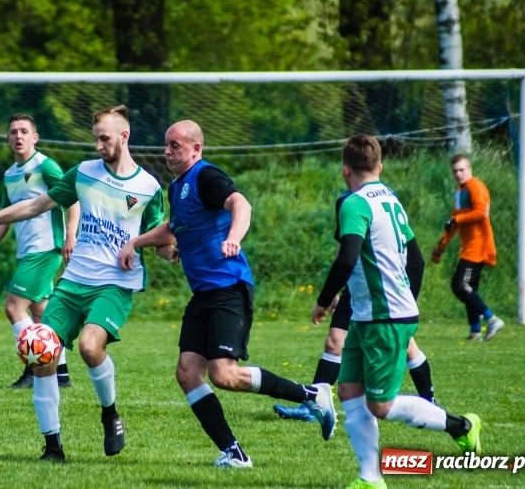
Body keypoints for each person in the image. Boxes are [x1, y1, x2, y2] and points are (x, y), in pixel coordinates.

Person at [0, 105, 167, 461]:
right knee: (44, 356)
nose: (97, 146)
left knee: (89, 347)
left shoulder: (148, 187)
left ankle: (110, 413)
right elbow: (35, 206)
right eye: (95, 139)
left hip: (114, 284)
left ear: (124, 137)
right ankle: (53, 447)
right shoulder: (83, 173)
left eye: (104, 139)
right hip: (73, 281)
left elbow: (160, 236)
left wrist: (171, 252)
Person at [118, 120, 336, 469]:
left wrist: (234, 237)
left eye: (175, 145)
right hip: (203, 295)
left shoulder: (207, 176)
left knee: (224, 375)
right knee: (187, 373)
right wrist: (138, 242)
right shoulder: (177, 188)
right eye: (166, 144)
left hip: (228, 289)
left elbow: (241, 204)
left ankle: (311, 394)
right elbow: (176, 227)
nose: (167, 152)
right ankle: (234, 453)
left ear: (196, 149)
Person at [312, 134, 480, 489]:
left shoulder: (354, 203)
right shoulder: (390, 198)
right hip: (370, 315)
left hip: (383, 317)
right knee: (349, 392)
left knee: (381, 406)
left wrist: (324, 300)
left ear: (345, 171)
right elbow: (415, 260)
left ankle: (461, 425)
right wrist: (406, 301)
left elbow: (347, 256)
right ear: (380, 166)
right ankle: (370, 479)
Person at [273, 190, 435, 422]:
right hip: (355, 288)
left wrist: (407, 300)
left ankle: (430, 405)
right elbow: (345, 250)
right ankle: (313, 406)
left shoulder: (383, 198)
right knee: (333, 343)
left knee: (408, 345)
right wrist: (337, 290)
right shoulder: (345, 202)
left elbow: (414, 258)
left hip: (381, 289)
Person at [0, 113, 79, 388]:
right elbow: (4, 217)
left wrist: (70, 236)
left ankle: (33, 369)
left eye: (23, 131)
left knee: (13, 307)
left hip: (45, 250)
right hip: (27, 252)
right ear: (8, 138)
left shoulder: (46, 166)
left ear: (35, 137)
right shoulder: (10, 174)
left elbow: (73, 199)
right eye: (13, 132)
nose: (18, 136)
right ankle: (61, 374)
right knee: (42, 314)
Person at [431, 154, 504, 341]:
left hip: (479, 247)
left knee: (460, 285)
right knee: (469, 289)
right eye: (455, 170)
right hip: (469, 247)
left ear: (470, 170)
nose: (458, 173)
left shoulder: (475, 186)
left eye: (462, 169)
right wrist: (441, 247)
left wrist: (457, 219)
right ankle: (475, 331)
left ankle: (492, 319)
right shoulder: (459, 191)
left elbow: (481, 212)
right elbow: (453, 222)